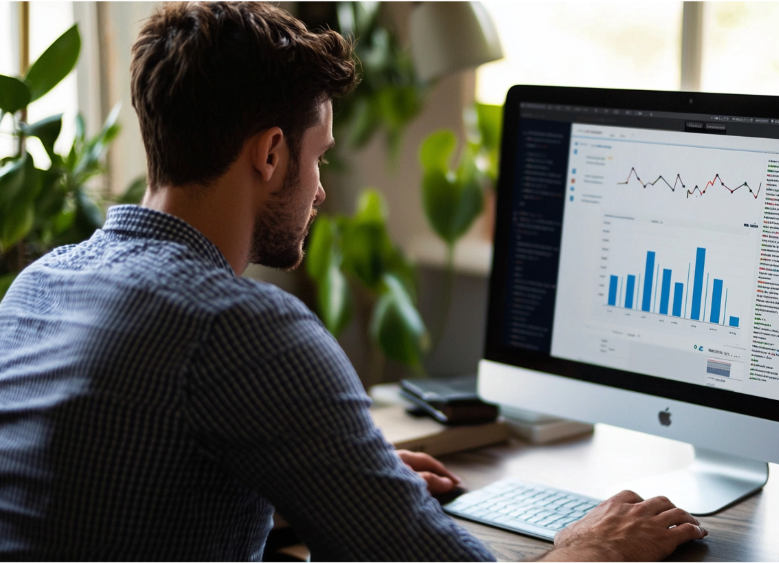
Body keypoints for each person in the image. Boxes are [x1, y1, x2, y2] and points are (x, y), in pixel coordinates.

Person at [0, 1, 707, 561]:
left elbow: (106, 495)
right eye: (320, 159)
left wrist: (335, 476)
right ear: (272, 154)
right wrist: (596, 547)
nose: (322, 192)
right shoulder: (240, 324)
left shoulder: (40, 285)